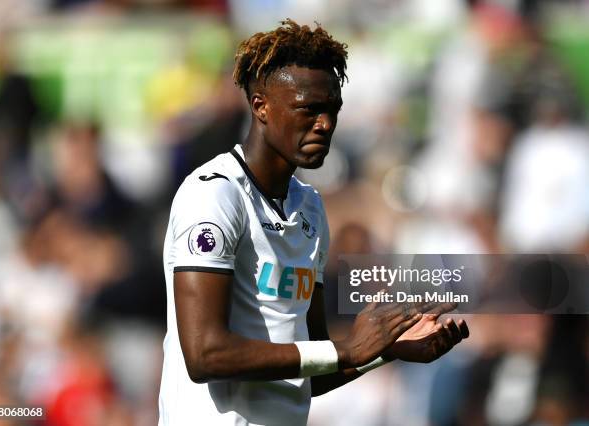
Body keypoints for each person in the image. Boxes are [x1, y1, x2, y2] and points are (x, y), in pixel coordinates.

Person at [158, 19, 469, 426]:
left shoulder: (310, 208)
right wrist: (348, 350)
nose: (324, 124)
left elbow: (309, 370)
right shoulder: (215, 194)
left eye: (331, 110)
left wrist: (385, 349)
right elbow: (204, 355)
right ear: (261, 107)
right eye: (308, 109)